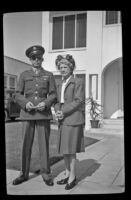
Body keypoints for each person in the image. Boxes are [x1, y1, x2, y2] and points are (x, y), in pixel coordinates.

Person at [12, 45, 57, 186]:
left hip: (43, 113)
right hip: (28, 113)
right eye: (33, 58)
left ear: (42, 59)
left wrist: (46, 103)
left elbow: (53, 94)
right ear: (30, 60)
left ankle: (46, 174)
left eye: (39, 58)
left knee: (44, 145)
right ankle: (23, 174)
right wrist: (25, 103)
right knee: (26, 144)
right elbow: (17, 93)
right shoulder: (24, 75)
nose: (36, 60)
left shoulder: (48, 75)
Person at [54, 54, 85, 190]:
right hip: (63, 119)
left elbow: (78, 101)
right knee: (65, 150)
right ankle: (67, 174)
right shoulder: (59, 83)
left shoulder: (78, 81)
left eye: (65, 67)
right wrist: (57, 111)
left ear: (71, 68)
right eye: (60, 67)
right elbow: (56, 101)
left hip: (73, 119)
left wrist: (63, 111)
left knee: (71, 150)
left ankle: (72, 177)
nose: (63, 69)